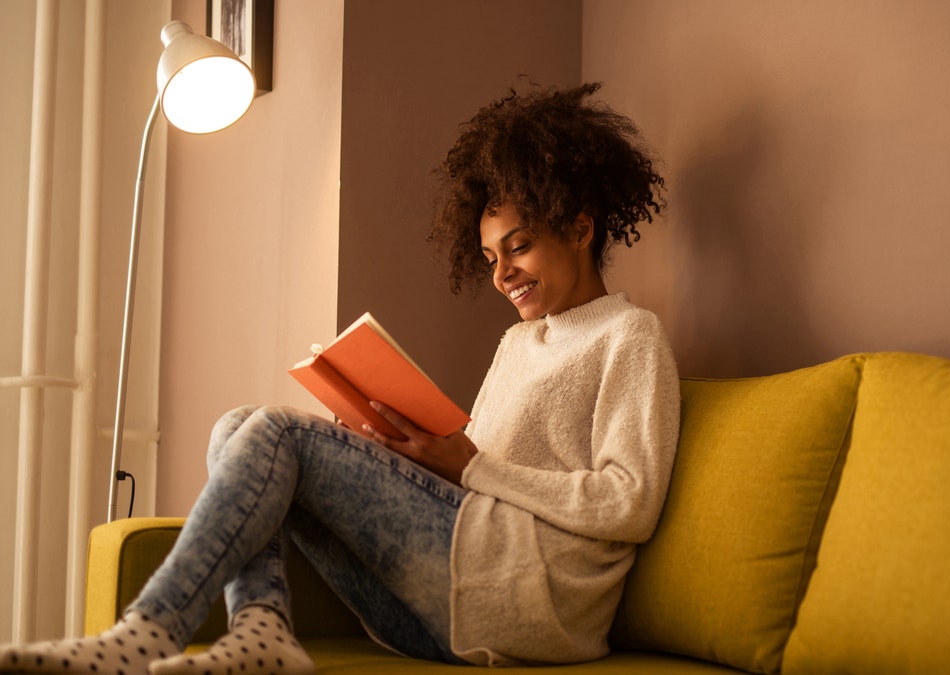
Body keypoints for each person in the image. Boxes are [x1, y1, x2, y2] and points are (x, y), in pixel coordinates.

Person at [1, 81, 679, 673]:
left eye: (519, 245)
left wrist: (470, 464)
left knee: (270, 431)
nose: (501, 274)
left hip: (535, 602)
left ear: (582, 227)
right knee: (235, 426)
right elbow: (478, 475)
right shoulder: (517, 341)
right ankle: (260, 627)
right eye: (489, 256)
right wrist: (402, 449)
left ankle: (147, 628)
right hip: (451, 600)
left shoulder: (630, 336)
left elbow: (630, 501)